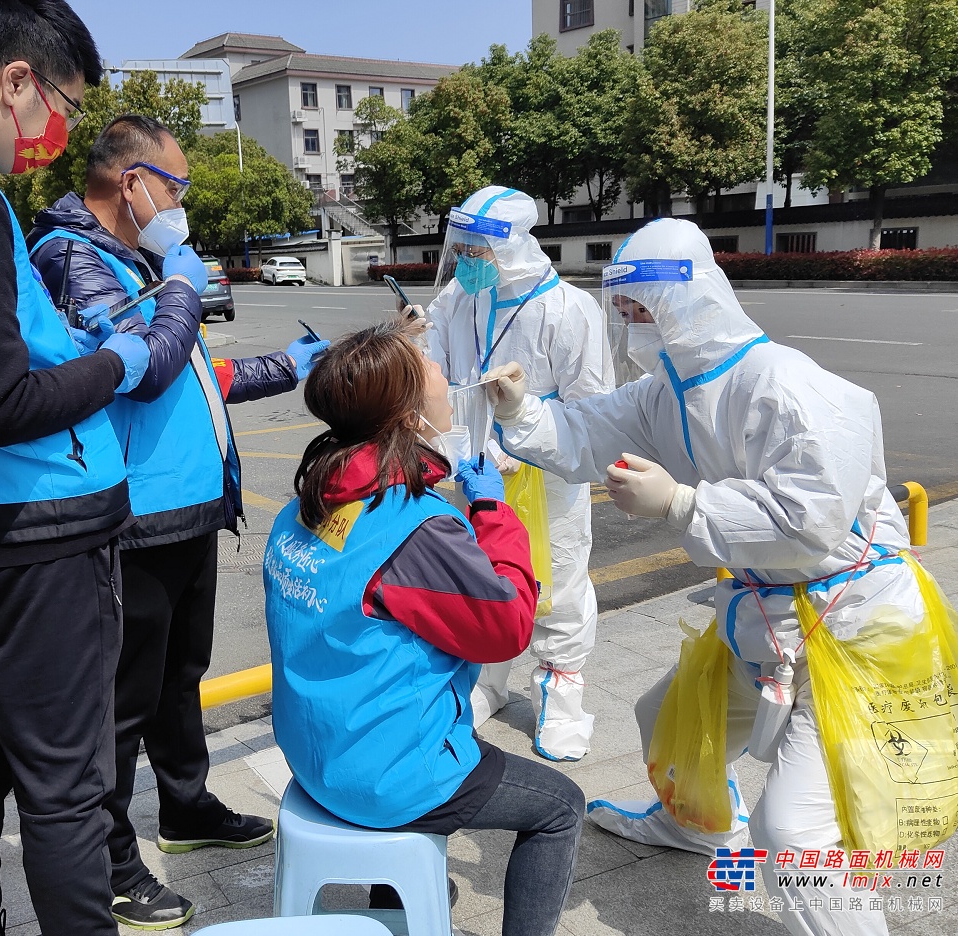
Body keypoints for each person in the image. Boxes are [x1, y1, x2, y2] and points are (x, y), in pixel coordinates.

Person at [482, 216, 946, 936]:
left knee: (792, 832)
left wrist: (682, 502)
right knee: (663, 723)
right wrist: (523, 411)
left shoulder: (788, 386)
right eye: (626, 311)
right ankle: (700, 828)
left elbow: (811, 521)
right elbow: (583, 433)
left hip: (858, 624)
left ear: (691, 300)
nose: (632, 325)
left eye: (644, 309)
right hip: (770, 614)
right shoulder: (666, 390)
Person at [28, 114, 326, 930]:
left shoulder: (136, 255)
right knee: (121, 703)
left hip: (188, 510)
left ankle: (188, 809)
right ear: (133, 181)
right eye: (178, 187)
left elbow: (196, 370)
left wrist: (287, 369)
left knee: (177, 677)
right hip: (133, 516)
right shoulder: (70, 256)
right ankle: (114, 862)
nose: (182, 205)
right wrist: (187, 289)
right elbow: (147, 368)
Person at [264, 320, 585, 936]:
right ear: (409, 415)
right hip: (385, 774)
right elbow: (508, 626)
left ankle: (415, 891)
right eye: (431, 369)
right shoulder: (413, 527)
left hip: (313, 755)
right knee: (560, 807)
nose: (444, 376)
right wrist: (491, 512)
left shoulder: (308, 501)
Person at [0, 3, 151, 934]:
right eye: (61, 104)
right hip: (41, 535)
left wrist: (67, 342)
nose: (58, 131)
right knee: (64, 790)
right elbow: (2, 401)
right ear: (18, 81)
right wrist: (113, 364)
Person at [422, 185, 615, 762]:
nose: (469, 260)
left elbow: (593, 409)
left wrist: (528, 434)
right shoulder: (459, 297)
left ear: (511, 246)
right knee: (478, 568)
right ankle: (488, 677)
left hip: (547, 470)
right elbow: (436, 367)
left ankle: (562, 690)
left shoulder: (567, 309)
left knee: (556, 574)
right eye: (465, 247)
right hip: (474, 464)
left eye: (480, 249)